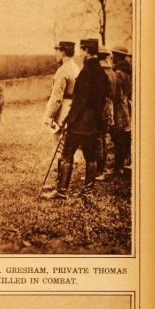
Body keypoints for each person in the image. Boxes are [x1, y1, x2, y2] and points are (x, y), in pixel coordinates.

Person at [43, 39, 109, 201]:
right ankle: (87, 192)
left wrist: (68, 120)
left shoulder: (86, 72)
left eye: (82, 50)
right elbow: (102, 100)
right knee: (91, 158)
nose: (80, 53)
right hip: (94, 123)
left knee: (66, 155)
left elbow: (79, 101)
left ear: (87, 51)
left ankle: (61, 191)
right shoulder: (102, 73)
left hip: (79, 123)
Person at [42, 41, 79, 192]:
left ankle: (61, 189)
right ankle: (59, 184)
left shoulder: (63, 70)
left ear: (63, 53)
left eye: (57, 51)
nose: (55, 54)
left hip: (63, 111)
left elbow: (56, 97)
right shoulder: (76, 67)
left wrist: (48, 116)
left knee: (62, 148)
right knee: (65, 148)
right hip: (73, 110)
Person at [95, 47, 116, 180]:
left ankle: (100, 171)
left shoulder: (101, 73)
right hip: (109, 107)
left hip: (101, 108)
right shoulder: (111, 72)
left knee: (98, 138)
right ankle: (102, 169)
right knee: (103, 138)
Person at [111, 45, 132, 178]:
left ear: (117, 57)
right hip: (126, 106)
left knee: (118, 139)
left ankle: (118, 167)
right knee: (124, 137)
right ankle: (122, 164)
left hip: (119, 108)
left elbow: (116, 95)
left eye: (113, 54)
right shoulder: (128, 71)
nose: (112, 57)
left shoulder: (118, 73)